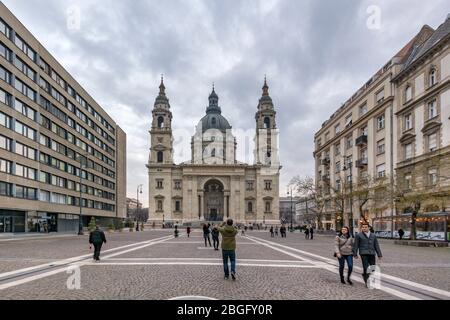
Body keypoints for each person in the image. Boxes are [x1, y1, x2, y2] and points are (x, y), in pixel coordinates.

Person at [353, 223, 383, 287]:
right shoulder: (358, 235)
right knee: (366, 267)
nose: (364, 228)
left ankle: (364, 275)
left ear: (368, 228)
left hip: (372, 253)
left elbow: (376, 245)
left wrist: (379, 254)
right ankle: (367, 282)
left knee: (372, 268)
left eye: (365, 227)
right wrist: (355, 253)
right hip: (363, 253)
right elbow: (356, 245)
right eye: (363, 227)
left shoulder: (373, 235)